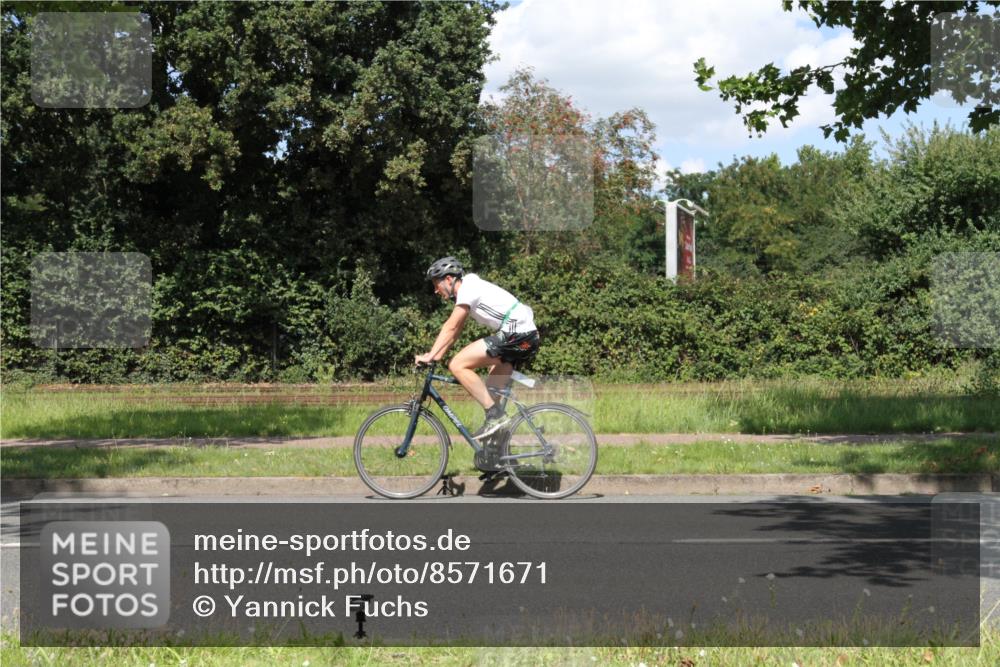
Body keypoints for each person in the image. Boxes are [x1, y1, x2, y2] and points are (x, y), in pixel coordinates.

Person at [414, 256, 540, 440]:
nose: (435, 290)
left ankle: (496, 417)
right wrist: (436, 356)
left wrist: (430, 355)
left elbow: (450, 326)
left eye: (436, 284)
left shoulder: (468, 288)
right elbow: (455, 332)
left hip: (518, 334)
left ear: (449, 279)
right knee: (490, 396)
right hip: (522, 335)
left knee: (457, 364)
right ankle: (499, 457)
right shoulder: (469, 288)